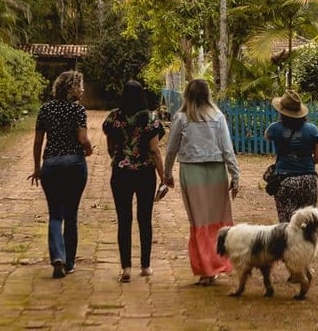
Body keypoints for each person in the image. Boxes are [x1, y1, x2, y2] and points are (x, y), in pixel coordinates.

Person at [163, 78, 240, 286]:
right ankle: (216, 265)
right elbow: (227, 148)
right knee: (217, 221)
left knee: (199, 222)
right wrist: (235, 175)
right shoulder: (218, 116)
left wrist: (166, 174)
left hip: (192, 172)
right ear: (207, 94)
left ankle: (206, 269)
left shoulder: (181, 118)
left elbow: (171, 149)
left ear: (187, 94)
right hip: (216, 173)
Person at [28, 70, 93, 279]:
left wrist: (37, 167)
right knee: (71, 215)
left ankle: (57, 256)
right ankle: (70, 263)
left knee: (55, 214)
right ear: (72, 88)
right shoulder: (77, 110)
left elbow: (38, 141)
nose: (82, 89)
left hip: (51, 165)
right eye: (80, 85)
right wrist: (89, 149)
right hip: (74, 164)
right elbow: (82, 138)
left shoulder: (45, 109)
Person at [102, 80, 165, 282]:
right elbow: (155, 150)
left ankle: (126, 268)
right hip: (145, 172)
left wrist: (121, 157)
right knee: (144, 219)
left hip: (120, 172)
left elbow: (110, 147)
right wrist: (163, 176)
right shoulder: (150, 118)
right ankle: (145, 266)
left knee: (124, 219)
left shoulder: (114, 116)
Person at [264, 89, 318, 223]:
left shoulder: (274, 128)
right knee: (307, 224)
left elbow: (266, 136)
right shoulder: (312, 130)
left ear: (282, 111)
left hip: (284, 180)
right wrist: (304, 161)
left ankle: (288, 245)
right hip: (308, 181)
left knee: (287, 225)